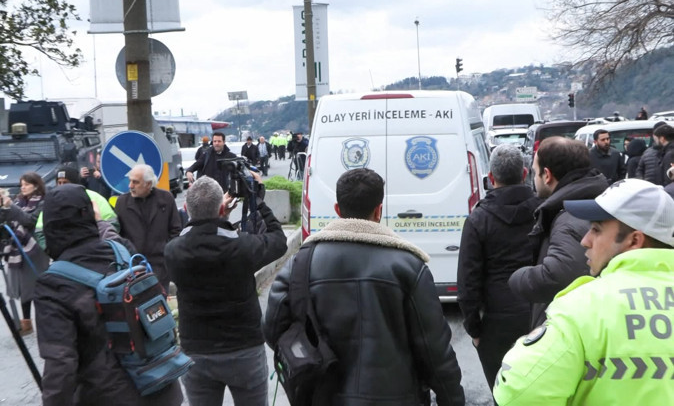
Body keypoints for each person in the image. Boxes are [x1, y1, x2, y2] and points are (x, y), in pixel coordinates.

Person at [264, 168, 465, 405]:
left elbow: (273, 329)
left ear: (338, 210)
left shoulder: (301, 263)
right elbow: (435, 350)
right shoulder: (409, 265)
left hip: (323, 396)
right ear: (379, 210)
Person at [494, 179, 674, 405]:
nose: (585, 241)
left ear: (635, 240)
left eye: (596, 230)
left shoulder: (581, 308)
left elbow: (516, 393)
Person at [34, 184, 183, 406]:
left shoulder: (54, 284)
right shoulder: (123, 251)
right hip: (162, 386)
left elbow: (60, 365)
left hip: (108, 396)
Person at [165, 176, 287, 406]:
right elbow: (278, 240)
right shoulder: (242, 246)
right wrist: (258, 202)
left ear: (186, 209)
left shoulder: (173, 252)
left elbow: (190, 236)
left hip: (196, 351)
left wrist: (215, 218)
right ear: (222, 208)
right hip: (245, 349)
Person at [457, 145, 540, 391]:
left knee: (502, 392)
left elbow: (468, 282)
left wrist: (474, 329)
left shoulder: (478, 220)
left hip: (496, 321)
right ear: (525, 173)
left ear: (491, 178)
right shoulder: (543, 210)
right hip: (540, 314)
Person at [508, 137, 608, 328]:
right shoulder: (591, 200)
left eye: (536, 173)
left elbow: (558, 275)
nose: (534, 180)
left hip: (572, 326)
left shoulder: (569, 216)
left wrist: (519, 278)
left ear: (547, 175)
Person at [0, 172, 49, 336]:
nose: (23, 187)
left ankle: (45, 321)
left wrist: (11, 206)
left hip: (35, 249)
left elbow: (29, 221)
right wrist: (2, 206)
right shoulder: (19, 201)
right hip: (18, 247)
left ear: (36, 185)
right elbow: (6, 223)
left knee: (38, 287)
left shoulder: (43, 202)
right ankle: (26, 322)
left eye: (26, 184)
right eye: (21, 184)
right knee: (24, 289)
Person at [115, 164, 181, 292]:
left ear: (148, 184)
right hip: (132, 269)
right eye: (130, 181)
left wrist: (165, 253)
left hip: (160, 267)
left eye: (135, 182)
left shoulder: (166, 199)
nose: (130, 186)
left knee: (159, 307)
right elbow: (118, 235)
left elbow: (176, 230)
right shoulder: (122, 202)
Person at [34, 166, 118, 249]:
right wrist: (51, 251)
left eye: (65, 182)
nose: (61, 186)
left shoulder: (94, 197)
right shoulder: (52, 202)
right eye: (59, 183)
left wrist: (102, 247)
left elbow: (111, 223)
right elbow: (40, 231)